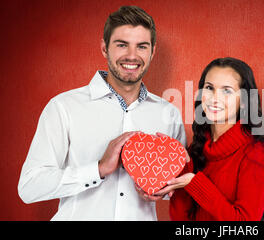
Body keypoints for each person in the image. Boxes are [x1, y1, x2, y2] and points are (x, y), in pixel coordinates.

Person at [17, 6, 186, 220]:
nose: (132, 56)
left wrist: (162, 189)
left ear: (152, 52)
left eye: (142, 46)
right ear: (105, 48)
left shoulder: (168, 112)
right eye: (122, 45)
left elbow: (178, 186)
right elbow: (30, 187)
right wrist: (97, 169)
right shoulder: (63, 107)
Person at [155, 57, 264, 220]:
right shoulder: (197, 149)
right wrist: (182, 167)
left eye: (227, 90)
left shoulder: (255, 153)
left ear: (243, 101)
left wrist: (195, 183)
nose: (214, 98)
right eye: (209, 88)